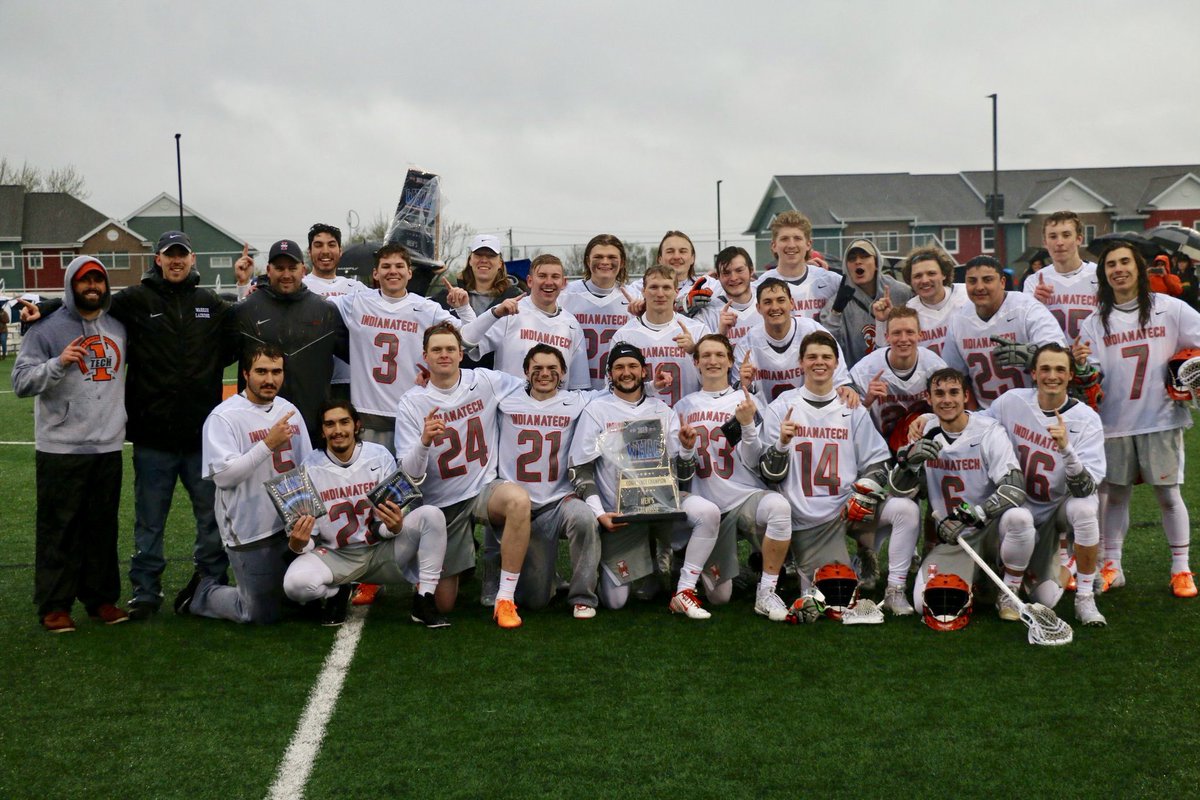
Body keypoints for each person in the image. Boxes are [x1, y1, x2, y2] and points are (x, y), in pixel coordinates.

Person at [745, 331, 920, 620]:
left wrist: (865, 489)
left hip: (849, 508)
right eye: (812, 356)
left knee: (906, 510)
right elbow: (768, 473)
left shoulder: (850, 408)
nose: (819, 362)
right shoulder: (783, 407)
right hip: (807, 518)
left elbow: (878, 462)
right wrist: (782, 444)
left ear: (837, 363)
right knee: (827, 595)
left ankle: (894, 589)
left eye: (826, 357)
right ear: (800, 362)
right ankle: (847, 558)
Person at [1076, 242, 1200, 598]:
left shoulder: (1171, 309)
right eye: (1111, 264)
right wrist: (1082, 366)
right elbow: (1090, 376)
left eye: (1125, 262)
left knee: (1168, 495)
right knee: (1115, 496)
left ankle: (1181, 568)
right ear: (1104, 275)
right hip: (1113, 421)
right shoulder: (1094, 322)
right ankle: (1112, 565)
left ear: (1139, 267)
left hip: (1160, 418)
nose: (1118, 269)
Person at [13, 256, 129, 632]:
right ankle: (55, 605)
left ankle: (100, 599)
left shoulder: (118, 325)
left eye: (98, 279)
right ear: (71, 284)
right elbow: (21, 382)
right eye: (84, 280)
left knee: (102, 528)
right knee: (58, 530)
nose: (92, 286)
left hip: (108, 444)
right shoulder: (45, 329)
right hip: (61, 447)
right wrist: (58, 363)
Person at [393, 322, 534, 628]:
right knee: (443, 603)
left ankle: (505, 598)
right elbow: (409, 474)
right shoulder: (412, 402)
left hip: (483, 487)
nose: (444, 355)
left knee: (518, 500)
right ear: (425, 357)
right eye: (437, 350)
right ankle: (448, 563)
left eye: (450, 349)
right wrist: (424, 442)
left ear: (461, 354)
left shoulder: (484, 380)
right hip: (443, 504)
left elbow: (533, 386)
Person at [568, 342, 724, 618]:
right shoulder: (597, 410)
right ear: (609, 374)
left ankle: (684, 589)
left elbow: (683, 473)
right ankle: (639, 560)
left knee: (708, 512)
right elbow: (581, 469)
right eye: (618, 367)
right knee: (615, 601)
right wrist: (600, 513)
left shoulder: (662, 410)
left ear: (643, 371)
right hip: (620, 513)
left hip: (661, 505)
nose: (626, 373)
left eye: (632, 366)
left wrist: (687, 448)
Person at [281, 400, 449, 628]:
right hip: (335, 555)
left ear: (356, 425)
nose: (338, 430)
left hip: (380, 551)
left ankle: (424, 599)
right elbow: (309, 539)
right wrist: (298, 544)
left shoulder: (378, 456)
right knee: (295, 585)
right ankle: (336, 594)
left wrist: (394, 527)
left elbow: (381, 527)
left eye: (344, 422)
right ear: (322, 430)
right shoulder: (309, 467)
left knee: (432, 515)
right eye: (330, 424)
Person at [889, 368, 1036, 623]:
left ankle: (1010, 588)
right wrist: (909, 464)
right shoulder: (922, 430)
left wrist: (976, 514)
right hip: (952, 538)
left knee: (1020, 518)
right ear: (930, 398)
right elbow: (898, 490)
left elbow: (1015, 487)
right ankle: (979, 580)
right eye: (940, 393)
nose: (947, 399)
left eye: (954, 392)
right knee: (923, 604)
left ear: (966, 395)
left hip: (989, 530)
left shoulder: (988, 430)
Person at [178, 343, 311, 624]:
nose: (269, 379)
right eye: (261, 371)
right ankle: (202, 592)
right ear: (246, 373)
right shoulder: (224, 417)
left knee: (305, 600)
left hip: (289, 526)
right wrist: (267, 444)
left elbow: (306, 467)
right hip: (250, 530)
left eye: (276, 372)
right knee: (257, 613)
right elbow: (224, 477)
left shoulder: (289, 410)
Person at [983, 344, 1108, 626]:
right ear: (1034, 374)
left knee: (1087, 510)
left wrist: (1066, 449)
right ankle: (1010, 590)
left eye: (1060, 369)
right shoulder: (1012, 401)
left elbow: (1086, 488)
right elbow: (975, 426)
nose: (1053, 375)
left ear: (1071, 375)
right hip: (1014, 509)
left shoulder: (1086, 420)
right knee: (1019, 517)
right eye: (1046, 369)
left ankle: (1085, 597)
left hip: (1055, 513)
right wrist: (930, 419)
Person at [673, 334, 790, 619]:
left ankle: (767, 590)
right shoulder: (683, 406)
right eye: (707, 356)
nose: (713, 361)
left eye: (719, 355)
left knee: (779, 507)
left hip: (743, 497)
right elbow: (680, 475)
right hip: (706, 505)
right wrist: (687, 450)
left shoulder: (747, 400)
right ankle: (691, 560)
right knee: (719, 597)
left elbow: (755, 463)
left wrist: (748, 426)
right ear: (696, 362)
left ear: (730, 362)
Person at [329, 243, 477, 452]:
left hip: (413, 411)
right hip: (368, 414)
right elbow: (313, 308)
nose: (392, 271)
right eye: (386, 266)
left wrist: (463, 308)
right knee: (375, 480)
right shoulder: (354, 302)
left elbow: (471, 340)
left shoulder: (427, 308)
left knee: (413, 478)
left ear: (409, 272)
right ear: (375, 273)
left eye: (399, 266)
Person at [496, 344, 602, 618]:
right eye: (538, 369)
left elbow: (619, 393)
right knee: (534, 600)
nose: (545, 374)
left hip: (561, 499)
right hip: (522, 506)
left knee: (584, 519)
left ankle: (583, 596)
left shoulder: (579, 400)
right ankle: (547, 577)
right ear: (526, 372)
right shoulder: (505, 399)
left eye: (553, 369)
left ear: (564, 373)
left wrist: (651, 385)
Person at [234, 238, 350, 443]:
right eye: (279, 268)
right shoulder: (246, 310)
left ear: (303, 270)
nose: (286, 274)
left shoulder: (326, 311)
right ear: (268, 270)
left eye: (292, 267)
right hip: (256, 425)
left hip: (311, 423)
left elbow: (359, 355)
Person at [941, 255, 1066, 409]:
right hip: (988, 415)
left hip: (1033, 410)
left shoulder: (1027, 308)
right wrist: (974, 417)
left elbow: (1061, 355)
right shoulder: (958, 320)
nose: (979, 287)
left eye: (987, 280)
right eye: (972, 281)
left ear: (1002, 282)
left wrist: (1036, 356)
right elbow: (957, 378)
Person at [467, 254, 590, 390]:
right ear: (530, 281)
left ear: (563, 283)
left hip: (555, 409)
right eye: (542, 276)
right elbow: (469, 344)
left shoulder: (572, 324)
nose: (549, 282)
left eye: (555, 277)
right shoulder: (509, 312)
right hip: (511, 407)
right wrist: (492, 313)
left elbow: (578, 385)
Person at [734, 277, 856, 403]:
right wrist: (745, 385)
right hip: (765, 417)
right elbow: (737, 397)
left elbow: (840, 380)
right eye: (767, 302)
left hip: (807, 415)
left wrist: (845, 388)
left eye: (781, 300)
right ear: (758, 308)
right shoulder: (747, 342)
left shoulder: (812, 331)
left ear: (791, 303)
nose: (775, 307)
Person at [610, 265, 709, 407]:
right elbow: (612, 387)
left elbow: (715, 383)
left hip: (687, 419)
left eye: (666, 288)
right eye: (654, 287)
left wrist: (694, 352)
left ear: (676, 292)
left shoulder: (698, 330)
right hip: (642, 421)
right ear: (643, 291)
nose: (660, 294)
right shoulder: (624, 335)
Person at [433, 234, 523, 369]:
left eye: (491, 256)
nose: (484, 260)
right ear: (470, 260)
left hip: (496, 380)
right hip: (454, 380)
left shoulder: (515, 299)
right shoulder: (447, 297)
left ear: (500, 263)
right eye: (479, 255)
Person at [560, 233, 639, 388]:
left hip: (618, 389)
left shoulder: (634, 298)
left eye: (611, 257)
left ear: (622, 262)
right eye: (598, 256)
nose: (605, 262)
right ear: (587, 260)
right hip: (574, 388)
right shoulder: (566, 295)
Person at [821, 238, 913, 367]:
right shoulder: (837, 302)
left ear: (876, 263)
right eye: (852, 259)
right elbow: (827, 345)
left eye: (865, 256)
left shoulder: (901, 292)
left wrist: (893, 317)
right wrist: (836, 313)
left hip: (898, 371)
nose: (858, 261)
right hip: (859, 375)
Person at [301, 223, 364, 402]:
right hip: (311, 380)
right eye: (318, 245)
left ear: (340, 250)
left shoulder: (357, 288)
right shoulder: (299, 286)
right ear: (309, 251)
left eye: (331, 244)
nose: (326, 251)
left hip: (351, 381)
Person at [1023, 211, 1098, 340]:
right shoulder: (1034, 281)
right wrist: (1035, 303)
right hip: (1054, 358)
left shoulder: (1099, 275)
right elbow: (1027, 329)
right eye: (1053, 236)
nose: (1059, 242)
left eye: (1066, 235)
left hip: (1092, 357)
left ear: (1079, 239)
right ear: (1045, 242)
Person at [754, 210, 840, 320]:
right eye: (784, 239)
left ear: (808, 244)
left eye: (797, 238)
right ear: (774, 245)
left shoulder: (831, 281)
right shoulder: (760, 286)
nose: (791, 245)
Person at [897, 246, 968, 355]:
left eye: (931, 273)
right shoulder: (908, 312)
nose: (924, 280)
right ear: (910, 281)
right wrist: (882, 322)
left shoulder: (967, 295)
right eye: (917, 276)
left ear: (944, 274)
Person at [694, 246, 762, 353]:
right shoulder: (707, 314)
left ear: (751, 270)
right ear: (718, 276)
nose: (734, 278)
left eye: (739, 270)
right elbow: (699, 358)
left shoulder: (768, 302)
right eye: (726, 273)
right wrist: (720, 334)